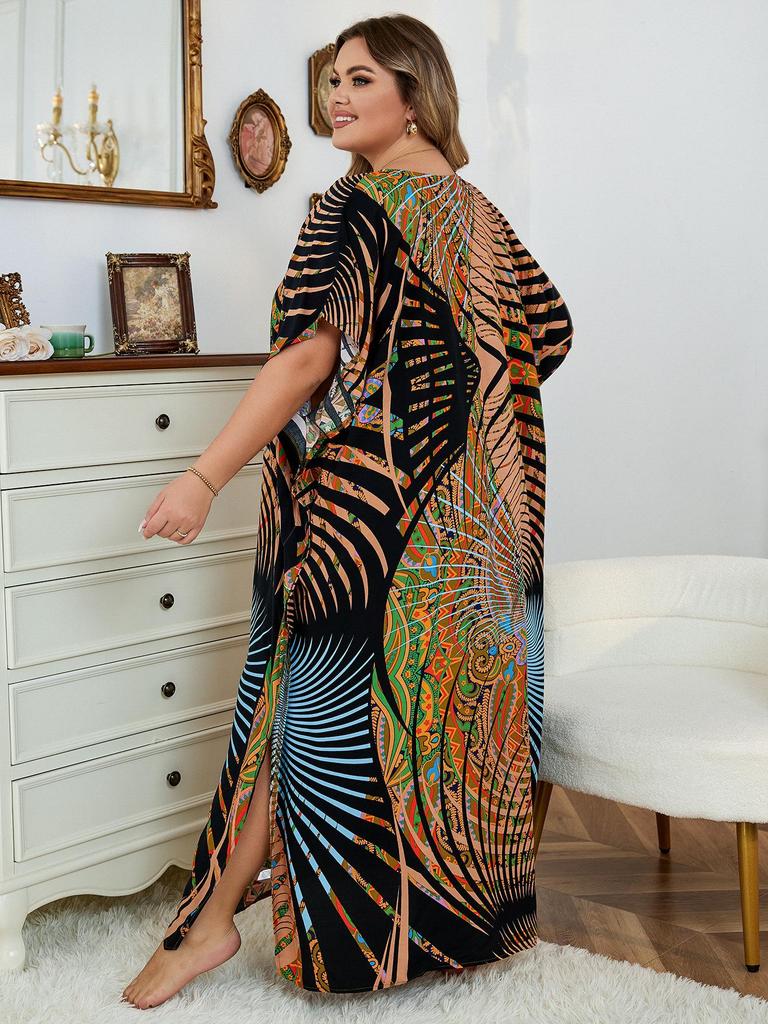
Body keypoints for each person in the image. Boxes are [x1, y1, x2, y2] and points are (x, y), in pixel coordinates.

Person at [121, 12, 573, 1009]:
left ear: (415, 96)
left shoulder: (355, 206)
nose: (336, 95)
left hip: (372, 522)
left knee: (303, 714)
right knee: (435, 729)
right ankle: (444, 937)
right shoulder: (480, 215)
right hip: (481, 531)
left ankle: (211, 924)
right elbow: (549, 331)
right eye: (332, 78)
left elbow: (304, 361)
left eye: (361, 78)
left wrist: (204, 475)